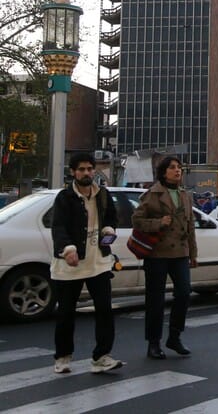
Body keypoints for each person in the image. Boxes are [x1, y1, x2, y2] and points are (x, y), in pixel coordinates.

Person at [50, 152, 124, 374]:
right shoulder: (64, 197)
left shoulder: (102, 194)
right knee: (66, 314)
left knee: (104, 311)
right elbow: (58, 227)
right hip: (69, 265)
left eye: (90, 169)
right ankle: (63, 357)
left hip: (98, 262)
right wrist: (68, 249)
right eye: (81, 169)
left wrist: (109, 230)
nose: (86, 173)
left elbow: (111, 217)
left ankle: (102, 357)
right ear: (73, 172)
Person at [132, 156, 198, 359]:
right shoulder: (153, 194)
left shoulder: (185, 195)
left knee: (184, 293)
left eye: (179, 167)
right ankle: (154, 342)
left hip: (180, 252)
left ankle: (174, 337)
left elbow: (190, 226)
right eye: (172, 167)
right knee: (155, 300)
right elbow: (136, 220)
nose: (177, 171)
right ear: (163, 172)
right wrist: (158, 222)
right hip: (157, 254)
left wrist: (193, 253)